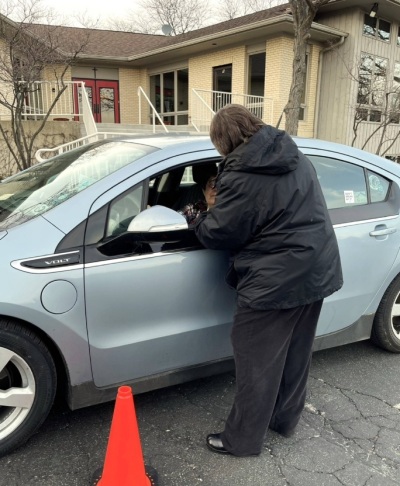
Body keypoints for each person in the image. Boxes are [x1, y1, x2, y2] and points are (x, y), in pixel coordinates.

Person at [194, 104, 343, 457]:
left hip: (274, 280)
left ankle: (241, 440)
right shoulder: (294, 155)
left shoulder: (242, 173)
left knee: (256, 363)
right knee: (296, 354)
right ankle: (284, 420)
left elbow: (220, 231)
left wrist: (198, 217)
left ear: (224, 141)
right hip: (316, 268)